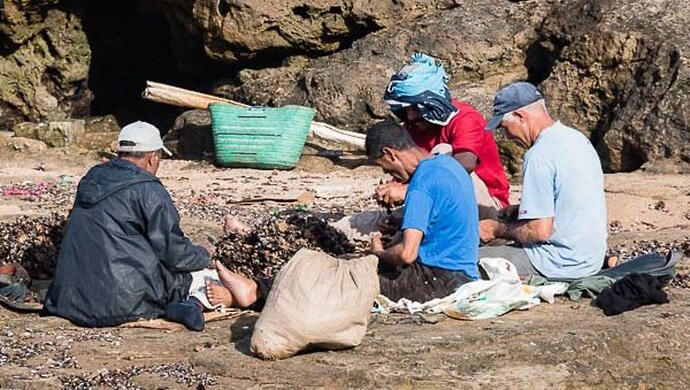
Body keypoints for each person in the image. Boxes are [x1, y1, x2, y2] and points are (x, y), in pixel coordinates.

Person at [208, 120, 481, 308]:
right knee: (345, 262)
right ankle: (257, 290)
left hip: (436, 280)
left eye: (384, 166)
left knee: (336, 274)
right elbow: (445, 216)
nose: (388, 174)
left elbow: (407, 254)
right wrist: (401, 221)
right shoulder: (447, 165)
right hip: (461, 272)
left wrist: (378, 253)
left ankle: (253, 292)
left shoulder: (422, 184)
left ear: (390, 153)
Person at [44, 121, 217, 330]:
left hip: (71, 302)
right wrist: (203, 254)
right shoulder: (148, 190)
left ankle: (184, 304)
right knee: (206, 278)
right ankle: (188, 303)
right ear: (153, 157)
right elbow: (174, 253)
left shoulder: (91, 178)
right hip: (127, 304)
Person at [478, 82, 608, 279]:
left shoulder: (538, 155)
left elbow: (539, 231)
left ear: (520, 117)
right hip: (591, 258)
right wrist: (522, 208)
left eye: (505, 127)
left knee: (464, 262)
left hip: (559, 263)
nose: (508, 136)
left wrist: (495, 229)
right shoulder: (577, 139)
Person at [378, 53, 510, 216]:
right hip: (434, 201)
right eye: (406, 110)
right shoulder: (413, 126)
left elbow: (463, 167)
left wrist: (408, 191)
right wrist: (392, 187)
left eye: (415, 108)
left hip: (485, 206)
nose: (411, 116)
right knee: (370, 224)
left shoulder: (466, 119)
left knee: (443, 151)